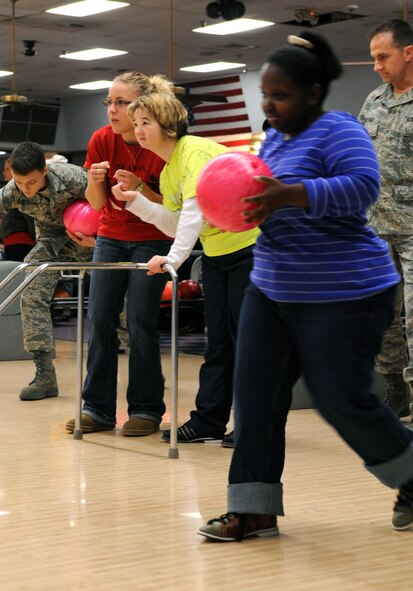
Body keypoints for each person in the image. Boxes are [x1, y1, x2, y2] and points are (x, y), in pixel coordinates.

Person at [196, 31, 413, 542]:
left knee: (342, 399)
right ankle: (252, 509)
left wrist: (288, 194)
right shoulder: (273, 140)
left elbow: (363, 187)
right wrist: (237, 211)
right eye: (265, 96)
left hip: (346, 290)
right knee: (253, 397)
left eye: (281, 95)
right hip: (271, 288)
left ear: (312, 94)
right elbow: (261, 200)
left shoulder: (340, 129)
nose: (269, 106)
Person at [111, 90, 259, 447]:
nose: (139, 130)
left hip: (253, 249)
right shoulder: (169, 169)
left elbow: (195, 212)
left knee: (249, 343)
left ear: (169, 124)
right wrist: (137, 205)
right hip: (217, 256)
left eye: (147, 122)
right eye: (138, 123)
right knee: (219, 343)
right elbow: (177, 223)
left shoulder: (192, 150)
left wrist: (173, 260)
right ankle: (209, 420)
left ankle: (254, 425)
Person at [65, 72, 174, 437]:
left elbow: (173, 207)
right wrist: (96, 182)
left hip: (153, 237)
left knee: (141, 321)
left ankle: (145, 409)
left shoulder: (161, 142)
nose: (113, 109)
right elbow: (97, 205)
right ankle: (97, 408)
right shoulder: (101, 139)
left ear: (142, 106)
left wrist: (142, 189)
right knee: (99, 319)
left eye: (121, 102)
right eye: (109, 102)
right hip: (111, 235)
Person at [0, 141, 94, 400]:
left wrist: (99, 240)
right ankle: (45, 376)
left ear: (44, 171)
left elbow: (111, 207)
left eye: (30, 182)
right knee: (29, 292)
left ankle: (146, 366)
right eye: (19, 183)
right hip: (52, 243)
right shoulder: (12, 191)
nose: (25, 190)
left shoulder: (73, 179)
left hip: (94, 241)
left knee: (115, 304)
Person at [359, 19, 413, 420]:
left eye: (383, 56)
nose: (376, 65)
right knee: (381, 315)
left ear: (408, 52)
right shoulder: (374, 100)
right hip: (376, 229)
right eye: (374, 57)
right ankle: (394, 386)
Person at [0, 157, 36, 261]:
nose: (4, 172)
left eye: (7, 169)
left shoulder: (21, 190)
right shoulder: (5, 191)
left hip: (22, 239)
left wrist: (35, 237)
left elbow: (30, 215)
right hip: (9, 239)